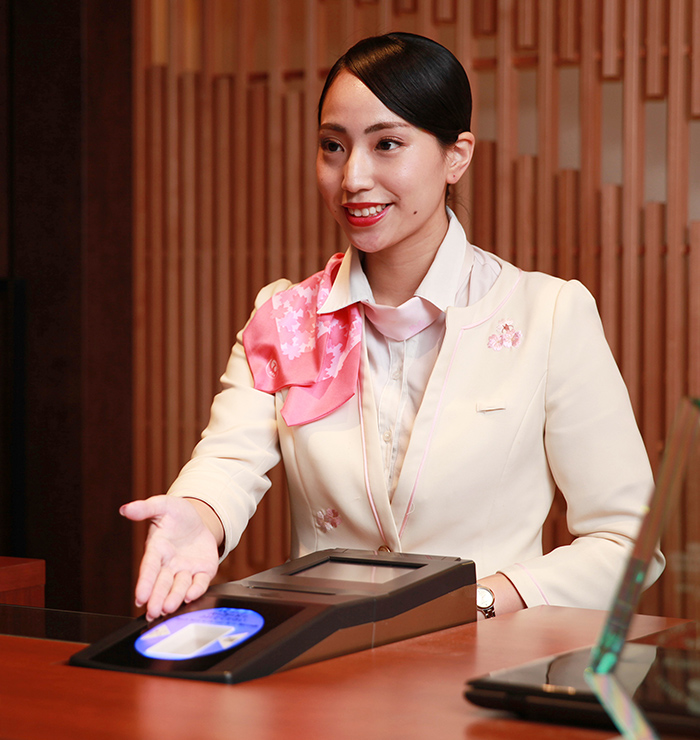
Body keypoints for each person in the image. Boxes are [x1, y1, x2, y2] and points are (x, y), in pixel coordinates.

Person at [121, 32, 664, 623]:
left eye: (387, 144)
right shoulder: (288, 315)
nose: (353, 177)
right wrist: (198, 516)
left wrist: (480, 601)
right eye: (333, 146)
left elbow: (627, 542)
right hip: (325, 659)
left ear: (457, 155)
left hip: (488, 660)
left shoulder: (549, 314)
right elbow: (229, 460)